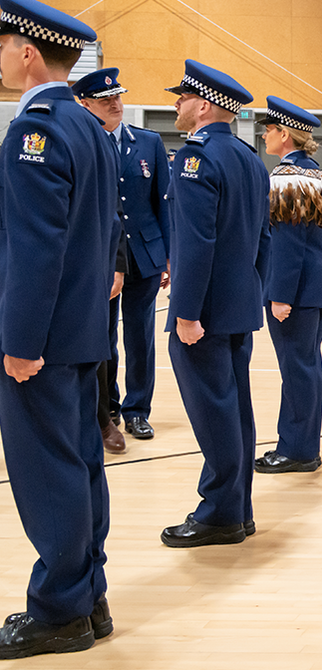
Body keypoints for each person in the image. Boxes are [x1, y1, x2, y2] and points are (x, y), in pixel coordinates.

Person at [0, 1, 117, 656]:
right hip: (81, 333)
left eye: (2, 42)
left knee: (47, 473)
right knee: (77, 466)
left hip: (42, 342)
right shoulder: (86, 127)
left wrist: (20, 341)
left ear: (29, 54)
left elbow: (37, 249)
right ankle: (88, 594)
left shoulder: (35, 132)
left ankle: (59, 610)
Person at [160, 60, 270, 549]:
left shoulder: (196, 158)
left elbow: (196, 243)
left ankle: (221, 512)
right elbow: (262, 239)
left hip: (203, 311)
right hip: (237, 303)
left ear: (203, 105)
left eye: (182, 98)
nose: (176, 105)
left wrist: (185, 312)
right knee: (235, 408)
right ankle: (237, 507)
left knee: (214, 411)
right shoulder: (248, 158)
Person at [72, 67, 170, 444]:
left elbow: (162, 201)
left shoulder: (148, 142)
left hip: (144, 253)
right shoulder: (82, 142)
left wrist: (168, 256)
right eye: (105, 100)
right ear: (86, 104)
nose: (115, 104)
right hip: (100, 258)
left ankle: (137, 410)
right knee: (103, 334)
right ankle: (107, 407)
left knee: (140, 335)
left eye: (117, 97)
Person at [253, 97, 322, 474]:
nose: (264, 135)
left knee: (297, 369)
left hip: (297, 289)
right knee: (307, 366)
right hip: (317, 283)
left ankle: (297, 449)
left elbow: (287, 244)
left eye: (268, 129)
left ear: (284, 134)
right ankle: (302, 443)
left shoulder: (285, 178)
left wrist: (280, 295)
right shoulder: (317, 174)